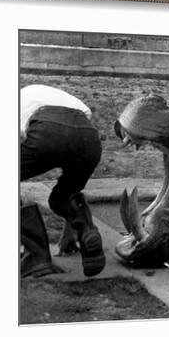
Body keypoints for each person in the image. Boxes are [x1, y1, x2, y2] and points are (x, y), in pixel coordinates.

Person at [20, 84, 105, 278]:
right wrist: (71, 230)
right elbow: (73, 139)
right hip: (89, 137)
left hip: (48, 130)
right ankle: (87, 230)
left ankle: (36, 256)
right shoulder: (51, 95)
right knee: (63, 196)